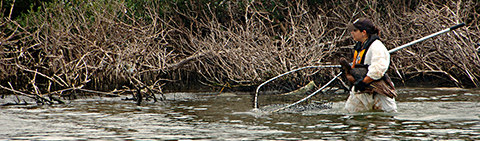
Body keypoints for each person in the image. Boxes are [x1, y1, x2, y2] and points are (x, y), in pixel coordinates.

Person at [343, 18, 397, 112]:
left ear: (363, 32)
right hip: (361, 88)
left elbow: (378, 69)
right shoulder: (360, 46)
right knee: (349, 112)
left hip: (378, 89)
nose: (352, 33)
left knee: (386, 117)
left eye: (355, 30)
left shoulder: (376, 47)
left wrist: (363, 83)